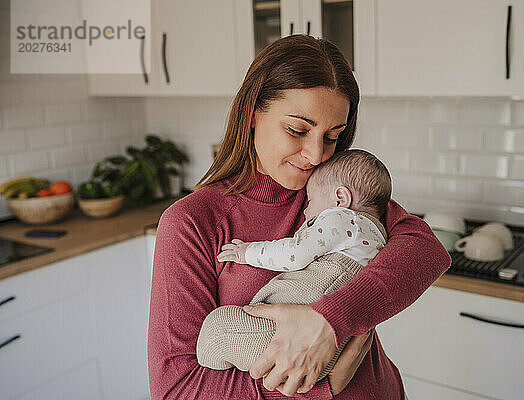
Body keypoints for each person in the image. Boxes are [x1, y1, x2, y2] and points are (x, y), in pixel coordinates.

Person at [148, 34, 451, 399]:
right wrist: (322, 386)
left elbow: (428, 252)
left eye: (332, 137)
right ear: (252, 115)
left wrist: (331, 320)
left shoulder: (335, 194)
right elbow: (177, 389)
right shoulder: (192, 222)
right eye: (297, 129)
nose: (314, 155)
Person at [195, 149, 391, 381]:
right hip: (333, 351)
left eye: (311, 200)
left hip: (289, 337)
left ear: (341, 198)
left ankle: (221, 370)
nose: (306, 210)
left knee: (219, 328)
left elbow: (295, 254)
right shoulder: (380, 234)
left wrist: (247, 252)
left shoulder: (343, 219)